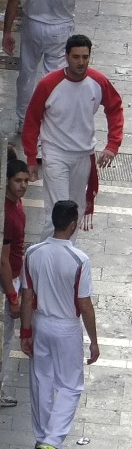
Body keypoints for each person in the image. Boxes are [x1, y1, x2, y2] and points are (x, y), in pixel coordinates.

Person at [2, 0, 107, 132]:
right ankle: (47, 123)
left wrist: (7, 32)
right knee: (53, 77)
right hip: (59, 30)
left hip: (32, 25)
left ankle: (24, 121)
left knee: (27, 73)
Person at [19, 200, 99, 449]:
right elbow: (85, 304)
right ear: (73, 224)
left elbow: (28, 296)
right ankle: (52, 442)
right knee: (70, 386)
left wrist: (26, 332)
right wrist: (94, 340)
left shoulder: (33, 253)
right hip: (66, 327)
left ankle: (42, 440)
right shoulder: (80, 260)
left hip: (41, 323)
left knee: (41, 381)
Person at [22, 34, 124, 240]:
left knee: (74, 212)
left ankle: (67, 257)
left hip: (83, 155)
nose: (81, 62)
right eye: (76, 57)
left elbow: (115, 108)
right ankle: (44, 261)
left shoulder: (98, 81)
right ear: (66, 57)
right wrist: (32, 158)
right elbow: (32, 121)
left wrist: (113, 145)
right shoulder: (48, 84)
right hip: (55, 154)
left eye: (85, 57)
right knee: (58, 212)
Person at [0, 148, 29, 408]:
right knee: (4, 340)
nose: (23, 186)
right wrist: (13, 296)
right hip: (7, 284)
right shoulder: (7, 215)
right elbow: (4, 259)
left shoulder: (16, 204)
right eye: (18, 181)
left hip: (15, 278)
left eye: (26, 181)